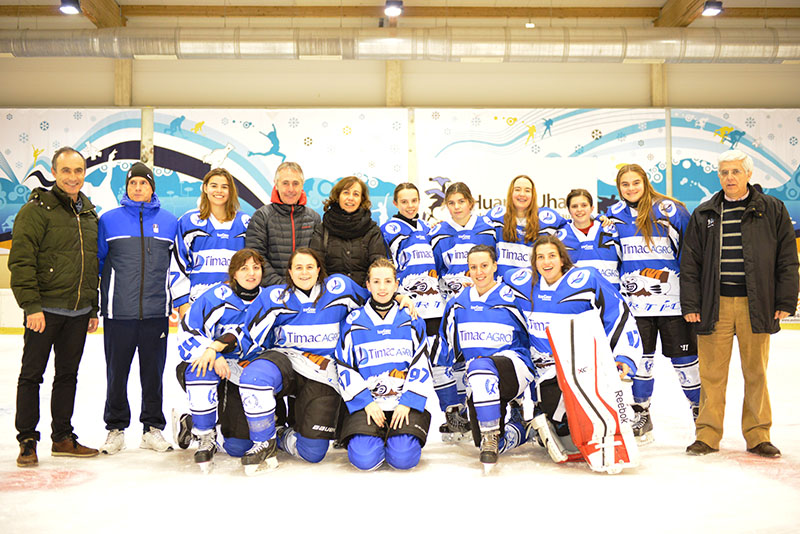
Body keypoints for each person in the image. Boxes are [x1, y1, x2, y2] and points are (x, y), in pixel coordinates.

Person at [681, 150, 799, 458]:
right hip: (714, 305)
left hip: (755, 304)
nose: (729, 177)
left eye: (735, 172)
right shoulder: (705, 213)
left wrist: (786, 299)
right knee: (711, 374)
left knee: (756, 372)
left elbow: (787, 260)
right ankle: (707, 435)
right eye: (724, 172)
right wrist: (691, 303)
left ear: (748, 174)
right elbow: (690, 263)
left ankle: (758, 435)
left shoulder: (772, 209)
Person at [503, 235, 641, 464]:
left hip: (579, 368)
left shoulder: (586, 279)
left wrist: (624, 355)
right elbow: (490, 290)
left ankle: (556, 420)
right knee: (564, 434)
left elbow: (618, 315)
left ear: (562, 258)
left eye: (551, 256)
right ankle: (542, 418)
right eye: (540, 257)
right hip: (540, 372)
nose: (546, 262)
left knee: (578, 429)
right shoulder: (519, 283)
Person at [10, 146, 100, 467]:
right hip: (44, 311)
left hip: (77, 313)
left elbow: (92, 265)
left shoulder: (88, 213)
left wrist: (92, 307)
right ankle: (27, 440)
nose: (73, 177)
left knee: (67, 376)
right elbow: (21, 262)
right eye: (66, 171)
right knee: (32, 375)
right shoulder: (36, 211)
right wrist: (31, 305)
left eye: (78, 171)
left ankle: (62, 436)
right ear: (54, 173)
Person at [237, 248, 370, 466]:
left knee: (312, 452)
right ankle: (264, 441)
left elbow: (374, 303)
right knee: (256, 376)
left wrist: (402, 298)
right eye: (298, 268)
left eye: (309, 267)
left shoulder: (340, 288)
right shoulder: (274, 296)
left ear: (319, 270)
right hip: (286, 363)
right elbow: (246, 335)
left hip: (323, 374)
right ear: (289, 271)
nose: (304, 273)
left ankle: (280, 434)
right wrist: (216, 350)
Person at [603, 164, 700, 443]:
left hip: (674, 304)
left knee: (685, 361)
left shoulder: (670, 210)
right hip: (635, 306)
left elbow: (691, 252)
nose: (631, 188)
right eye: (625, 184)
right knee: (641, 362)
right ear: (618, 188)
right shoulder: (614, 216)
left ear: (645, 183)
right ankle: (641, 414)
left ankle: (699, 412)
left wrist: (693, 296)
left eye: (636, 182)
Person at [97, 162, 178, 455]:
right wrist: (99, 305)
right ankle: (115, 428)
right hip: (119, 313)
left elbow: (178, 266)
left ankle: (152, 429)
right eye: (133, 183)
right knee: (116, 373)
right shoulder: (109, 220)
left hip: (156, 313)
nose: (138, 188)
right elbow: (99, 264)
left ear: (152, 187)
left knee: (152, 374)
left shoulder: (170, 222)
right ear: (126, 187)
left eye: (144, 183)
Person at [437, 245, 535, 471]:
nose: (479, 272)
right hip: (479, 382)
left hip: (513, 369)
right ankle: (521, 429)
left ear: (495, 266)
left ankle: (497, 425)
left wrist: (537, 398)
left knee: (481, 365)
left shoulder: (513, 297)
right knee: (483, 443)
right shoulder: (458, 303)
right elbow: (447, 352)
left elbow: (534, 340)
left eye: (484, 266)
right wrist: (455, 402)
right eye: (473, 267)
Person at [176, 248, 273, 474]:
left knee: (238, 446)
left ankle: (191, 421)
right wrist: (215, 353)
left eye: (256, 268)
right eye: (244, 268)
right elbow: (187, 332)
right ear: (233, 273)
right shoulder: (214, 296)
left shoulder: (268, 299)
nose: (251, 274)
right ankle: (204, 433)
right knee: (203, 369)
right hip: (210, 366)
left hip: (244, 372)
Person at [336, 258, 433, 470]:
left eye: (388, 281)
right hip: (369, 404)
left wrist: (408, 401)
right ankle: (374, 436)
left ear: (396, 285)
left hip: (403, 403)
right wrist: (366, 402)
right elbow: (344, 365)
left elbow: (422, 363)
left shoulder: (411, 319)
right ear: (368, 285)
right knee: (364, 459)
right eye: (376, 281)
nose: (382, 287)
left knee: (404, 458)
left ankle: (397, 438)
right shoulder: (353, 321)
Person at [428, 182, 497, 437]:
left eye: (461, 201)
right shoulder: (438, 233)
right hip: (451, 307)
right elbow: (434, 271)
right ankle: (453, 413)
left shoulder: (487, 229)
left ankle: (476, 411)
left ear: (471, 202)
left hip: (482, 307)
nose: (457, 207)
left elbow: (496, 264)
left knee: (476, 357)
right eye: (451, 203)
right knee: (446, 358)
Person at [171, 168, 250, 317]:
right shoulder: (189, 221)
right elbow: (178, 263)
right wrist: (182, 302)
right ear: (205, 188)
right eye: (214, 185)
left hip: (235, 304)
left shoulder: (244, 223)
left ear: (231, 190)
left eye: (224, 186)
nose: (219, 191)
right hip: (197, 303)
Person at [245, 162, 320, 287]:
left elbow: (319, 258)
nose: (290, 189)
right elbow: (256, 256)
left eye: (295, 183)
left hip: (307, 290)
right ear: (276, 184)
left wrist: (305, 284)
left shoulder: (313, 218)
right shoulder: (262, 216)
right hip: (273, 291)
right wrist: (282, 286)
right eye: (285, 183)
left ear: (302, 185)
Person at [309, 175, 387, 287]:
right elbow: (316, 266)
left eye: (356, 194)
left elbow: (378, 265)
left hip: (364, 295)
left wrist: (363, 290)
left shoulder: (372, 230)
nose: (350, 198)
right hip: (330, 295)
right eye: (346, 193)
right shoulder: (322, 229)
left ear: (362, 199)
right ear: (338, 196)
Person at [485, 175, 566, 278]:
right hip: (502, 285)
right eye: (517, 189)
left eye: (527, 190)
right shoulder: (496, 216)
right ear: (511, 193)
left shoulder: (547, 219)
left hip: (533, 286)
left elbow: (573, 227)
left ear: (533, 195)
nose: (522, 194)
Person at [560, 188, 621, 287]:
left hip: (610, 295)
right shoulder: (562, 235)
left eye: (584, 205)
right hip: (577, 296)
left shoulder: (609, 228)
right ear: (569, 210)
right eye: (574, 206)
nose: (579, 209)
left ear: (592, 208)